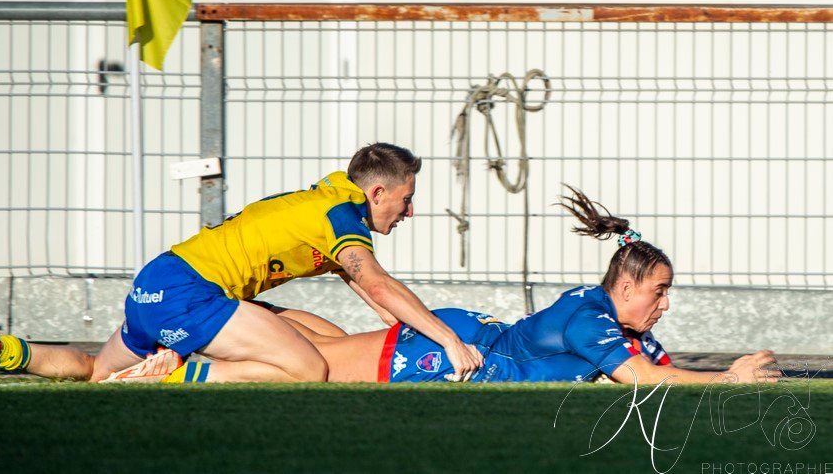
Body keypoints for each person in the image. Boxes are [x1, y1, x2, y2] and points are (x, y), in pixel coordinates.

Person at [0, 143, 483, 383]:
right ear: (381, 189)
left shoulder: (327, 202)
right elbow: (379, 282)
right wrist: (450, 341)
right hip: (194, 294)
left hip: (157, 282)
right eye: (407, 198)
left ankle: (2, 349)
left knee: (93, 372)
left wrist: (411, 334)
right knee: (308, 368)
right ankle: (179, 371)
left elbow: (368, 291)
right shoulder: (340, 214)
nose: (410, 210)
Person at [272, 186, 781, 385]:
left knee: (327, 348)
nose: (665, 304)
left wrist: (740, 373)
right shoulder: (591, 321)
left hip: (478, 338)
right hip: (465, 353)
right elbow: (644, 381)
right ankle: (222, 341)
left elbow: (662, 372)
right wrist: (727, 379)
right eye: (660, 291)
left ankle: (258, 317)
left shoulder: (620, 323)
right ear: (626, 287)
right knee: (318, 366)